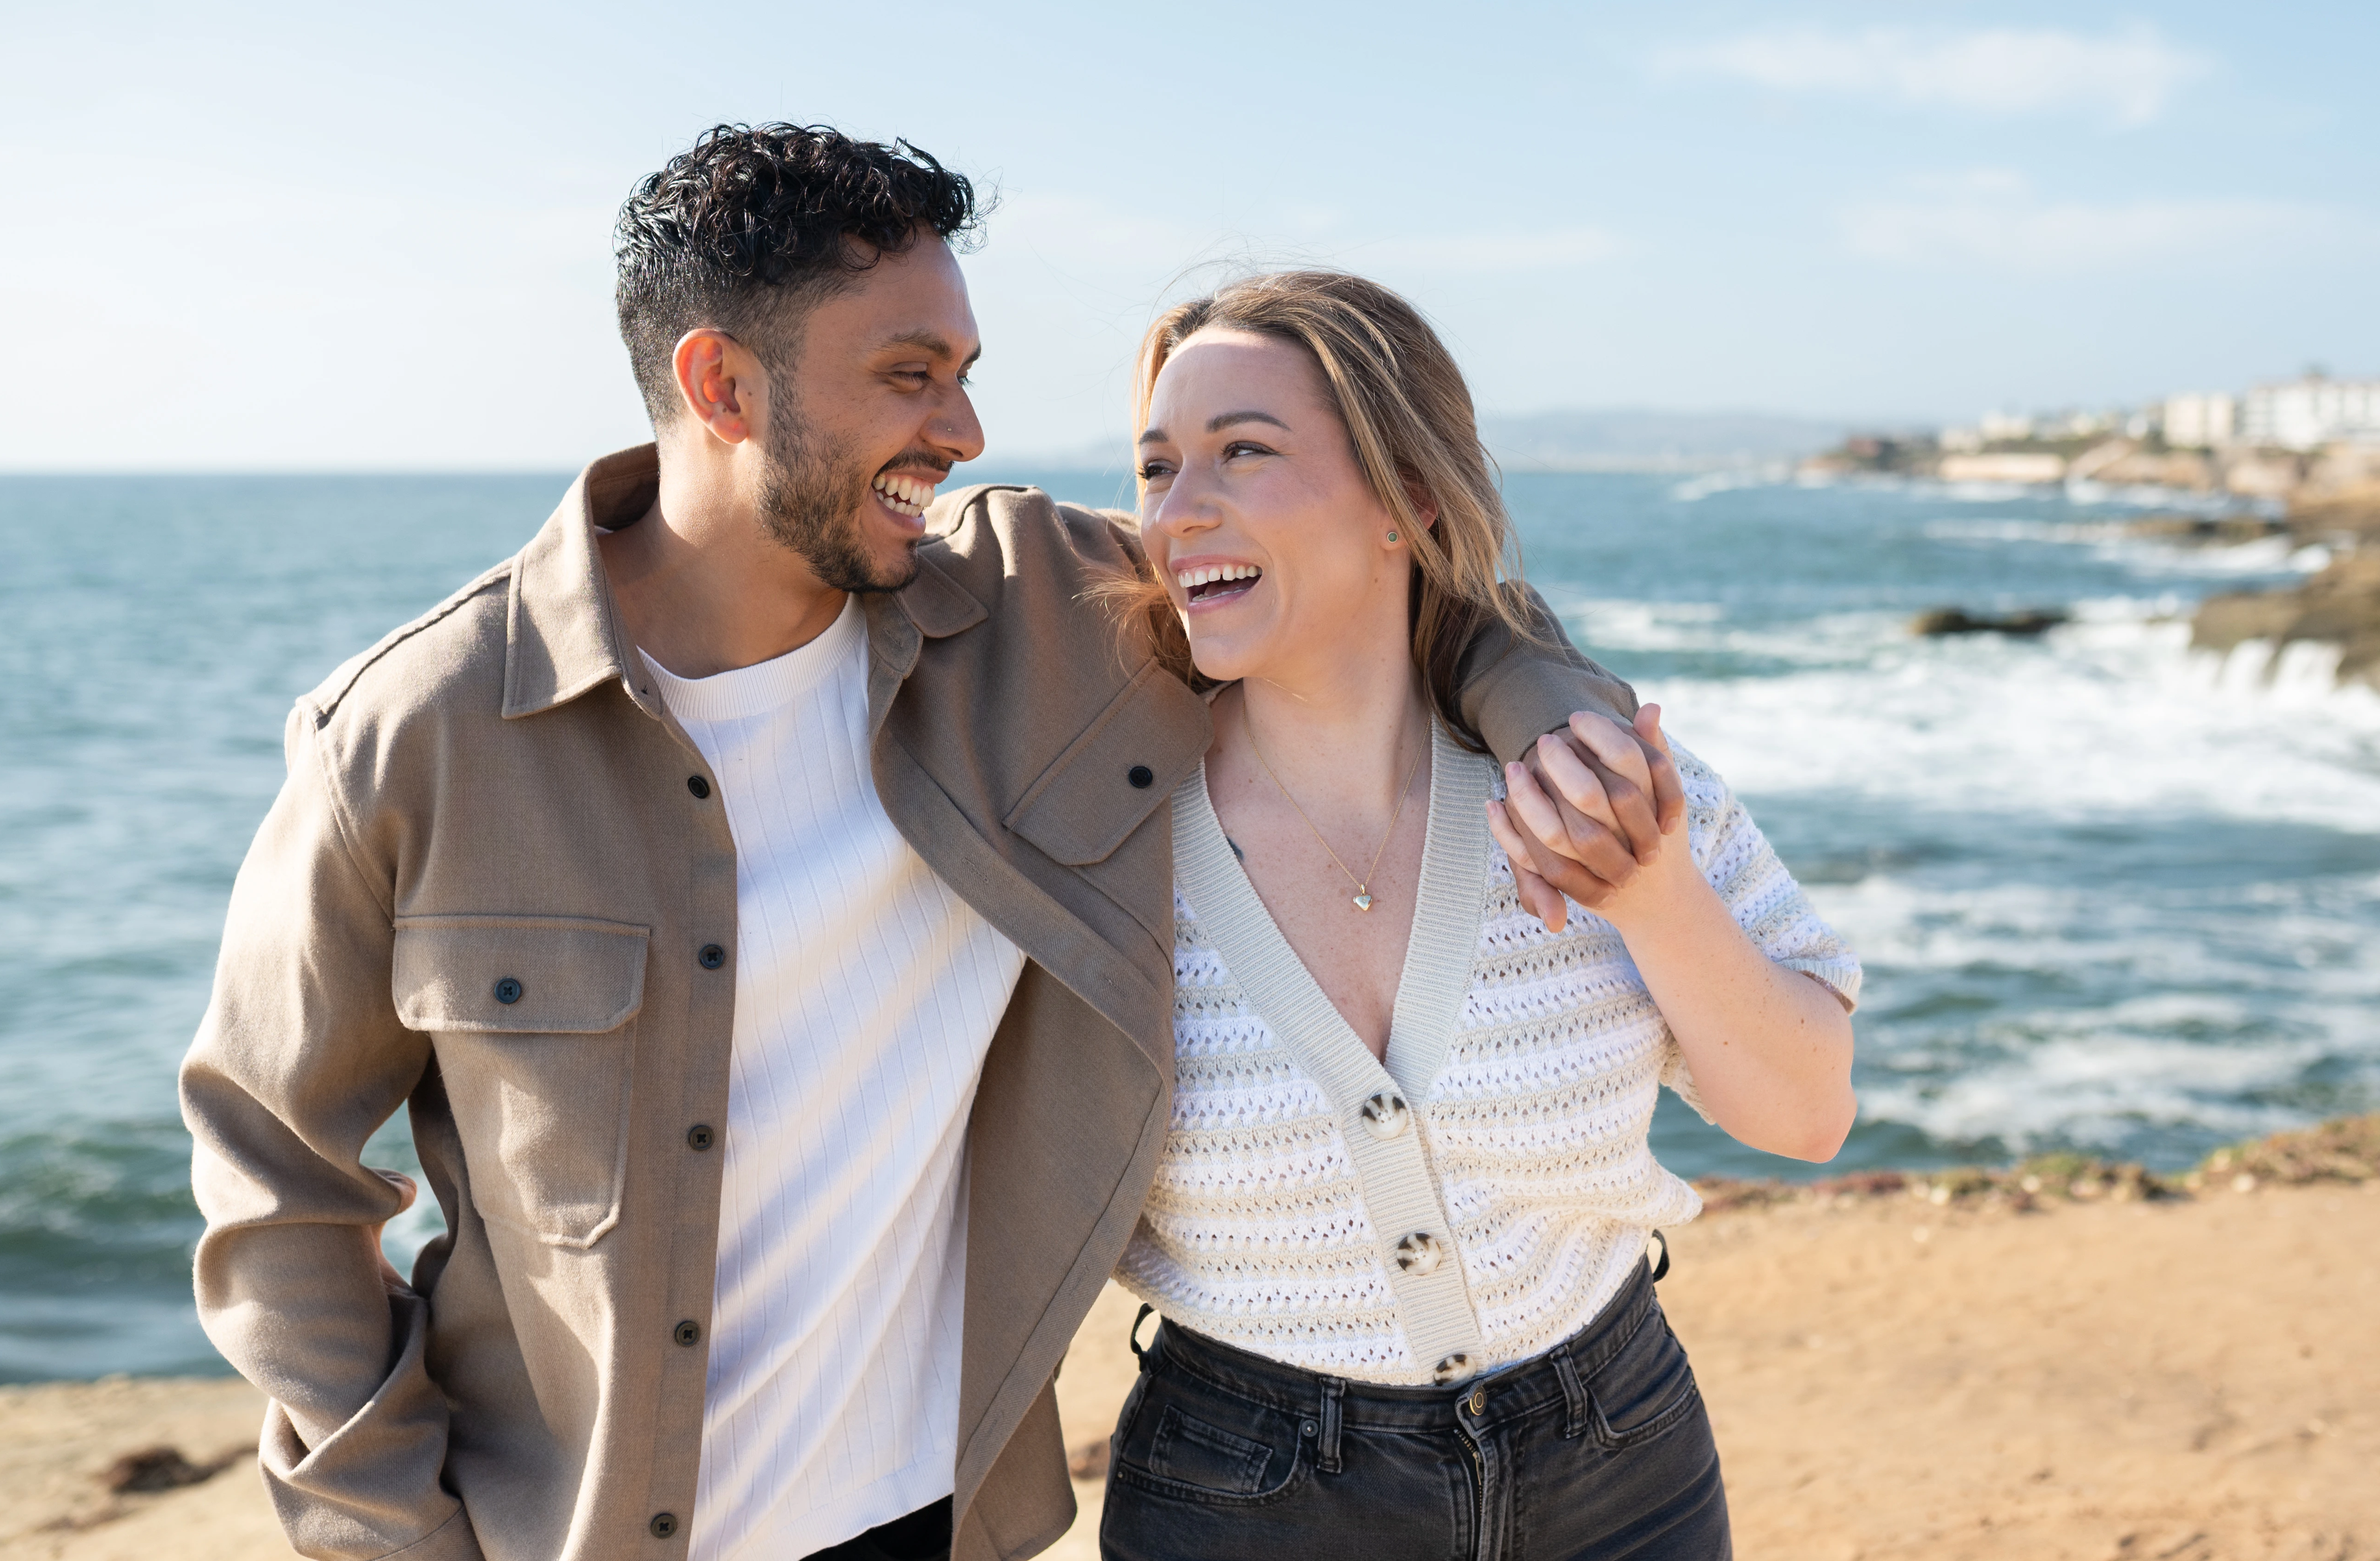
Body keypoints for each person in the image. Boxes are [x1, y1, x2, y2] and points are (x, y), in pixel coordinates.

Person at [179, 126, 1635, 1561]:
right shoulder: (413, 735)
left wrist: (1548, 715)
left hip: (928, 1521)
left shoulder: (1036, 617)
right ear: (720, 385)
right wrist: (393, 1533)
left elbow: (1375, 581)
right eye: (906, 375)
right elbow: (271, 1167)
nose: (960, 429)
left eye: (962, 373)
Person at [1094, 271, 1861, 1560]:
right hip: (1240, 1499)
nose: (1182, 510)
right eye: (1158, 467)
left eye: (1245, 452)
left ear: (1408, 502)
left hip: (1620, 1464)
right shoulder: (1104, 836)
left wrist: (1654, 892)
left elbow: (1805, 1111)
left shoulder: (1592, 776)